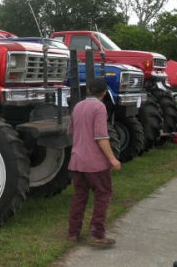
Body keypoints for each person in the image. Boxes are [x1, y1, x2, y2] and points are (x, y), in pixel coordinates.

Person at [67, 78, 122, 246]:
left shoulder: (77, 106)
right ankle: (97, 234)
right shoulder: (99, 107)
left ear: (89, 90)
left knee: (79, 197)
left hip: (77, 160)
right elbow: (101, 137)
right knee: (103, 195)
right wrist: (113, 159)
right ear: (104, 92)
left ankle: (73, 233)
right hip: (95, 163)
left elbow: (70, 131)